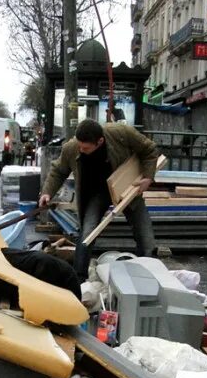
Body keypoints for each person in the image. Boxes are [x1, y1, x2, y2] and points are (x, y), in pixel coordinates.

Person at [39, 119, 159, 280]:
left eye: (85, 148)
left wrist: (147, 178)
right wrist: (47, 192)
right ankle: (78, 279)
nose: (80, 150)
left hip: (126, 187)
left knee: (145, 234)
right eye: (79, 146)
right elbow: (58, 171)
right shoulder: (72, 147)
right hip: (96, 194)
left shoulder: (121, 134)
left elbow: (149, 150)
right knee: (87, 234)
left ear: (100, 141)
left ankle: (149, 274)